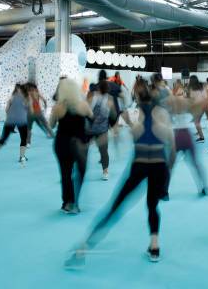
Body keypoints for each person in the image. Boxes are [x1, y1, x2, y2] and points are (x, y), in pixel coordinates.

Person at [64, 78, 173, 267]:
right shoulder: (161, 113)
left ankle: (83, 249)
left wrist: (132, 126)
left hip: (140, 166)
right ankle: (154, 246)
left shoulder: (139, 114)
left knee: (114, 207)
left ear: (137, 97)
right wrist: (166, 180)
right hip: (159, 166)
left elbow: (139, 138)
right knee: (152, 205)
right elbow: (169, 144)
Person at [49, 78, 93, 214]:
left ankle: (67, 202)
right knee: (79, 172)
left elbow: (51, 125)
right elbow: (93, 121)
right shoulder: (83, 106)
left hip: (62, 143)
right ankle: (76, 201)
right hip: (79, 144)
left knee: (65, 173)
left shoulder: (57, 108)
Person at [164, 90, 208, 199]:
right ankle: (204, 187)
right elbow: (200, 105)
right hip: (186, 135)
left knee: (170, 166)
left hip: (176, 135)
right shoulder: (187, 103)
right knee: (195, 163)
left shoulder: (170, 103)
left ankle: (164, 192)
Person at [0, 84, 32, 166]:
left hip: (10, 120)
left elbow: (6, 110)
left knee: (2, 139)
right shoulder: (27, 98)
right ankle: (22, 157)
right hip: (22, 120)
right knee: (23, 139)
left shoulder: (12, 97)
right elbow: (30, 110)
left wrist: (11, 117)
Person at [86, 79, 117, 181]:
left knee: (82, 149)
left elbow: (85, 111)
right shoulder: (110, 99)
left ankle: (75, 170)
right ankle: (105, 171)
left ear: (99, 87)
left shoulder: (91, 96)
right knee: (103, 152)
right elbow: (113, 115)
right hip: (101, 130)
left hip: (91, 129)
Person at [188, 75, 208, 143]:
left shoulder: (192, 88)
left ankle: (202, 137)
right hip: (203, 105)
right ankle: (200, 134)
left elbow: (192, 99)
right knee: (197, 122)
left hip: (197, 107)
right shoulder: (201, 87)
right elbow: (205, 96)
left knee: (196, 122)